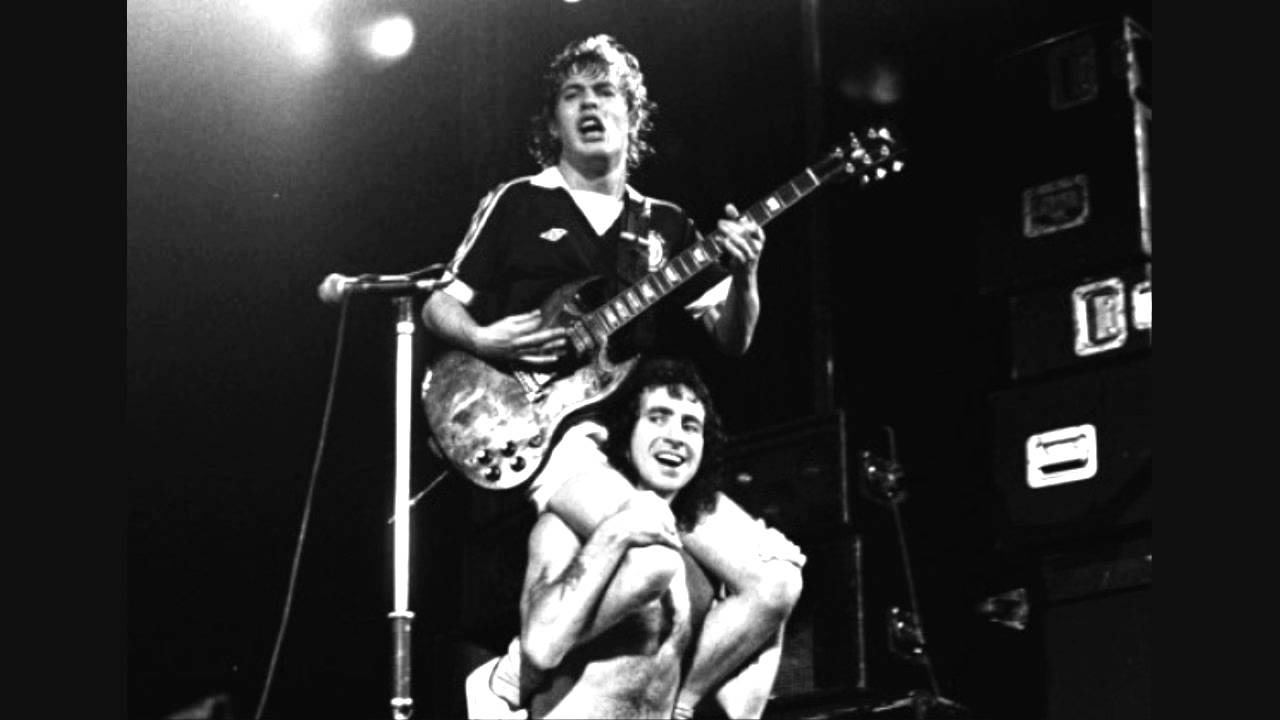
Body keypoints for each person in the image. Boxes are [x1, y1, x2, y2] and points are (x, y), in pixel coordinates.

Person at [423, 35, 803, 718]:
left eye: (605, 93)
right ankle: (511, 676)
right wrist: (482, 336)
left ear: (633, 115)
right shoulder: (518, 201)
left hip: (638, 435)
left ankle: (682, 708)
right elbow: (438, 306)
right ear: (553, 123)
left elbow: (733, 338)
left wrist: (746, 274)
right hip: (551, 433)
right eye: (573, 96)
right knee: (653, 556)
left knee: (774, 581)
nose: (590, 106)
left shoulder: (666, 224)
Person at [497, 357, 803, 718]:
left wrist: (778, 588)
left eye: (690, 426)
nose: (675, 437)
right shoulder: (567, 527)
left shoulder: (706, 573)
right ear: (626, 438)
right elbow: (538, 648)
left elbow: (741, 709)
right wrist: (615, 533)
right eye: (657, 418)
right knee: (655, 564)